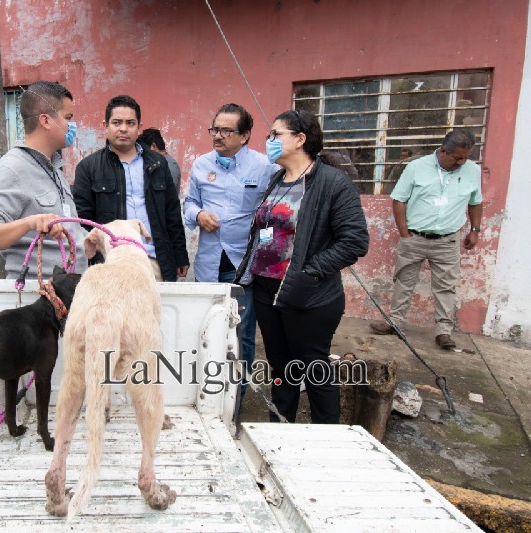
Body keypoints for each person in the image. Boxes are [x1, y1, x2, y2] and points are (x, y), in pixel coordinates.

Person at [235, 109, 369, 424]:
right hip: (267, 291)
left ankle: (325, 442)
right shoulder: (276, 179)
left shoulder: (332, 183)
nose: (268, 141)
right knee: (281, 369)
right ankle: (279, 433)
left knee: (314, 368)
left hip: (309, 295)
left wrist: (308, 272)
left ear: (300, 139)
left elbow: (354, 242)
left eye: (275, 135)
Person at [182, 103, 279, 388]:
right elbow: (190, 203)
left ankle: (236, 396)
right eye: (215, 129)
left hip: (244, 265)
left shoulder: (264, 167)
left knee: (241, 334)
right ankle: (206, 388)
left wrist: (262, 249)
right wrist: (198, 215)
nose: (218, 135)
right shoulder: (201, 165)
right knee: (206, 330)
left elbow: (272, 216)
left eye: (227, 130)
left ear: (245, 135)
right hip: (209, 263)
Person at [370, 129, 482, 350]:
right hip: (415, 238)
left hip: (448, 241)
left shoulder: (472, 171)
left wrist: (475, 229)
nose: (461, 162)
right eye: (457, 157)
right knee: (403, 281)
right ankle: (396, 322)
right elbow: (399, 200)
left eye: (466, 158)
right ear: (443, 151)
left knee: (446, 287)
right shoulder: (416, 167)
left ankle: (443, 332)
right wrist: (404, 233)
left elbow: (475, 201)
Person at [0, 81, 87, 280]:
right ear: (46, 121)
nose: (73, 125)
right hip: (37, 299)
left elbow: (69, 231)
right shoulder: (12, 169)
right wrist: (29, 223)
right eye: (68, 118)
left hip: (69, 292)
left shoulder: (55, 170)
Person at [72, 95, 189, 282]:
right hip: (111, 263)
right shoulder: (88, 167)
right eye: (116, 122)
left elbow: (171, 213)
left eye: (130, 123)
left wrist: (180, 254)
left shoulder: (158, 164)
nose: (123, 129)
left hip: (153, 261)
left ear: (139, 127)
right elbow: (84, 221)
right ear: (105, 125)